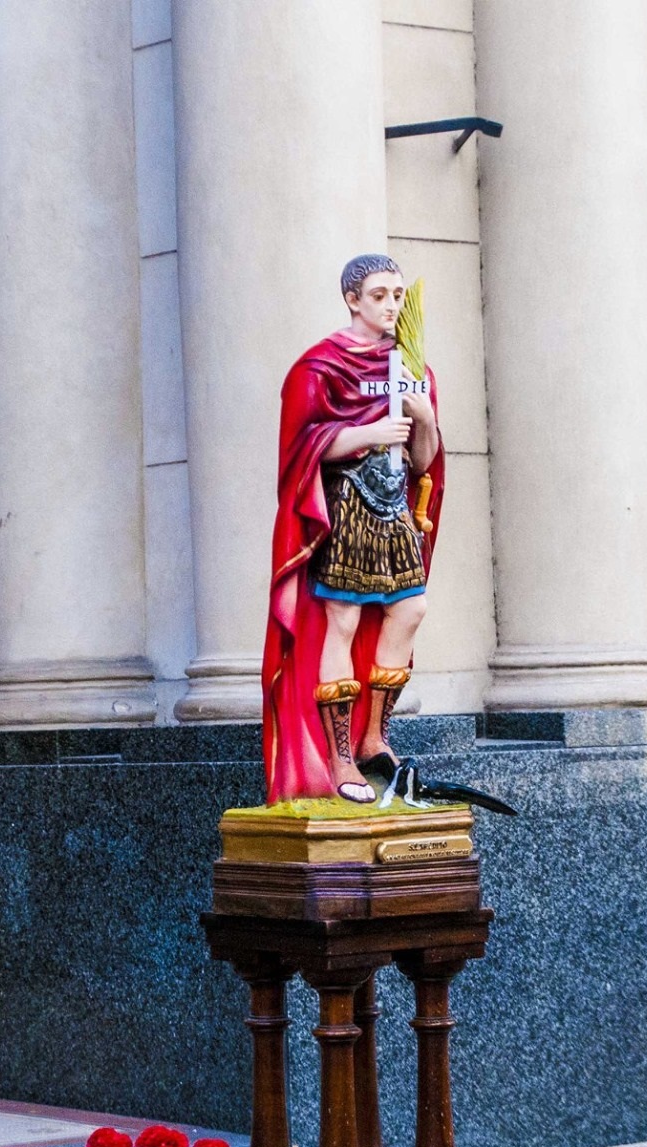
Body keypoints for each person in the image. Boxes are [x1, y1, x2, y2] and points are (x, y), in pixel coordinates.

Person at [262, 254, 443, 803]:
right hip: (345, 506)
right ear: (353, 300)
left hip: (393, 509)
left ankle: (373, 736)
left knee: (410, 608)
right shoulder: (320, 367)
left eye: (397, 295)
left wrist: (425, 419)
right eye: (380, 295)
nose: (392, 306)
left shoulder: (414, 367)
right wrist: (367, 432)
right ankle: (338, 756)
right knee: (341, 619)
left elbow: (424, 461)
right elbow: (300, 449)